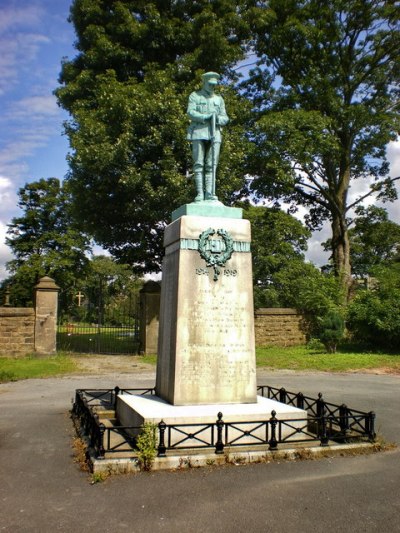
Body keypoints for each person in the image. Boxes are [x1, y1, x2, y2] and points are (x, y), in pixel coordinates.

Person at [187, 72, 229, 202]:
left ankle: (210, 193)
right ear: (204, 82)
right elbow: (190, 112)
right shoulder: (195, 96)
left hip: (215, 133)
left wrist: (217, 120)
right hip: (199, 131)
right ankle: (200, 193)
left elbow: (225, 117)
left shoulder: (219, 99)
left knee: (212, 165)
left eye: (214, 85)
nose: (212, 87)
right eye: (210, 84)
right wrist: (205, 117)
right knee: (199, 164)